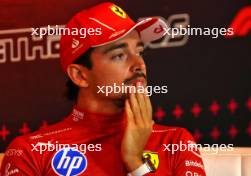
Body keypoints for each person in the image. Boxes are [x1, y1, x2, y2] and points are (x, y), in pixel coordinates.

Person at [0, 2, 206, 176]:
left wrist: (136, 163)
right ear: (79, 75)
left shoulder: (175, 142)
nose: (139, 65)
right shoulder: (31, 152)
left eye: (140, 52)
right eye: (119, 55)